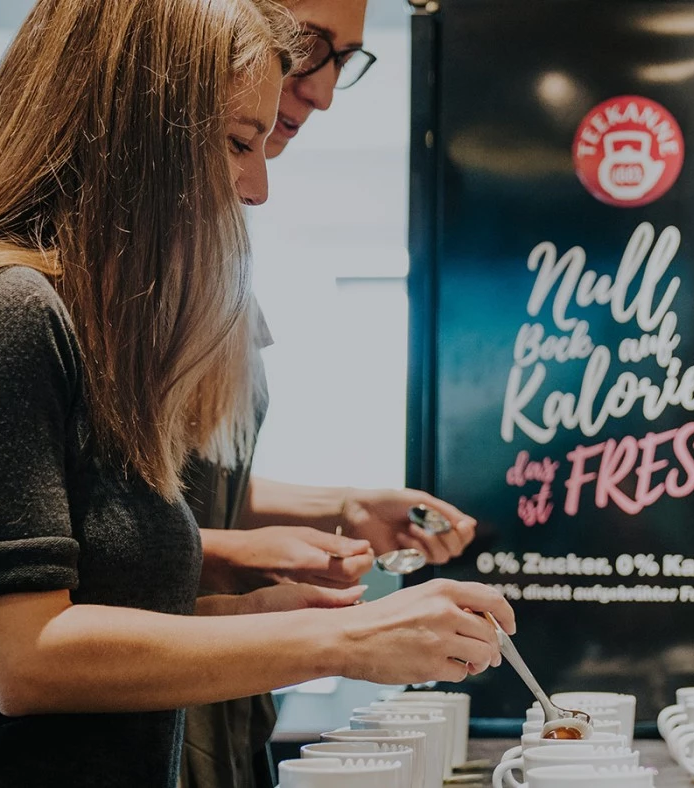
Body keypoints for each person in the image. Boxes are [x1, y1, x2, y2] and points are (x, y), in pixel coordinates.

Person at [0, 0, 514, 784]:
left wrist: (250, 616)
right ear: (136, 128)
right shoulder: (5, 310)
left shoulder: (70, 317)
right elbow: (26, 661)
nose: (258, 187)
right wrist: (348, 640)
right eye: (238, 143)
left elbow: (96, 619)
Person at [177, 2, 482, 787]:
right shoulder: (21, 304)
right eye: (309, 47)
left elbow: (177, 487)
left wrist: (336, 508)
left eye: (344, 60)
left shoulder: (204, 261)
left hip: (203, 716)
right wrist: (336, 635)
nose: (323, 92)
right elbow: (40, 623)